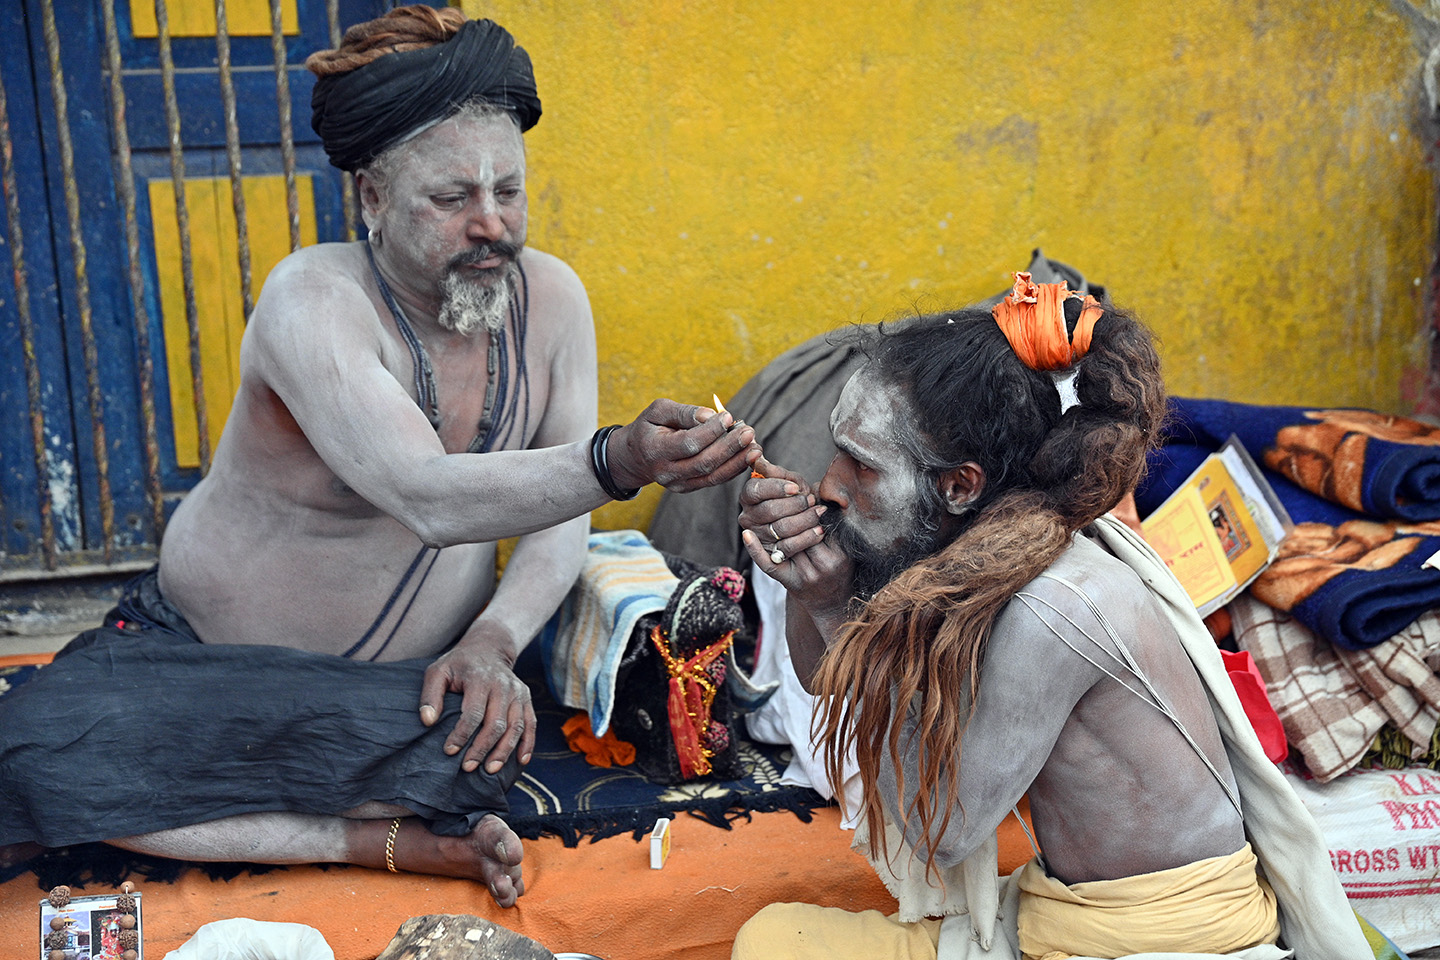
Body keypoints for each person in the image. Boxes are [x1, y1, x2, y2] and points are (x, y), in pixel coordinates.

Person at [0, 6, 756, 907]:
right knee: (39, 748)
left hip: (411, 694)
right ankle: (357, 834)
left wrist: (492, 641)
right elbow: (427, 496)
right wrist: (621, 457)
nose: (492, 226)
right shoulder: (312, 301)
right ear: (370, 197)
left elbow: (563, 527)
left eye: (508, 192)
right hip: (201, 662)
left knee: (477, 745)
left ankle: (346, 791)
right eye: (452, 199)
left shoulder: (553, 301)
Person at [729, 275, 1369, 958]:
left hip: (1154, 941)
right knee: (776, 938)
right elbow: (829, 679)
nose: (829, 483)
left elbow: (935, 832)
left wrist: (831, 604)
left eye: (861, 465)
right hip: (1059, 911)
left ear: (959, 485)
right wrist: (811, 590)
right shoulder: (989, 545)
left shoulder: (1053, 608)